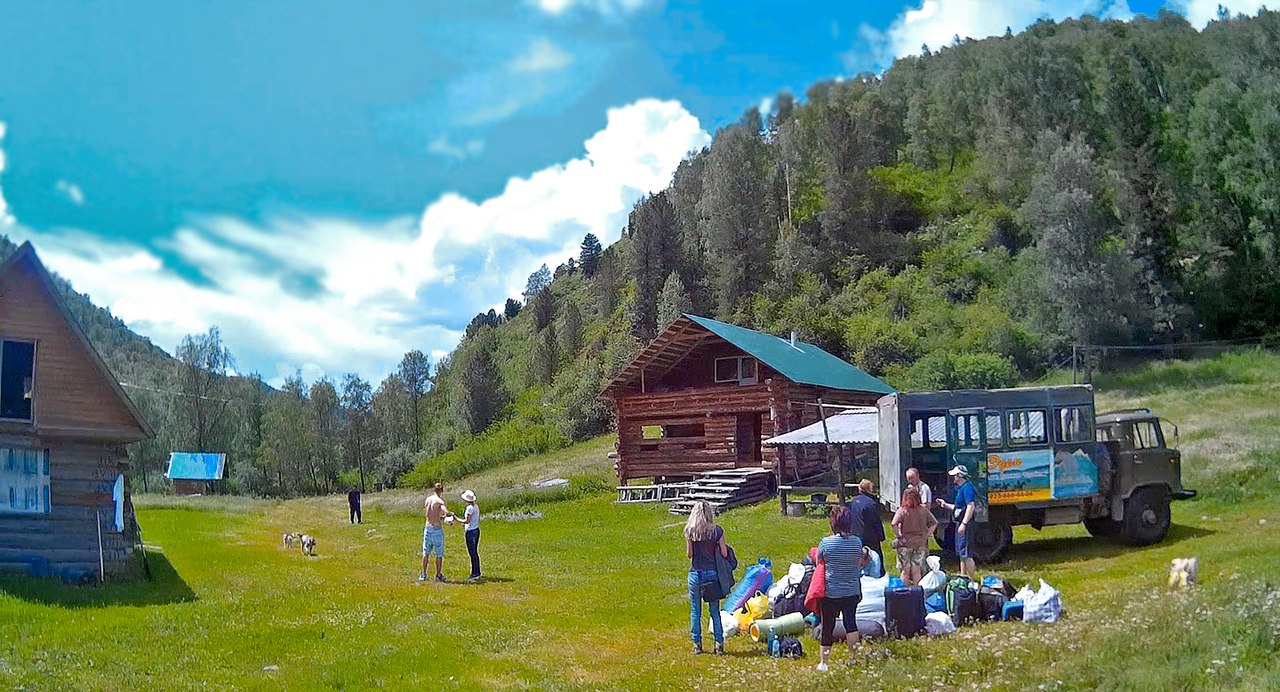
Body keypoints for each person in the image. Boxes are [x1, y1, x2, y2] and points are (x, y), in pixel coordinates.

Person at [816, 505, 870, 672]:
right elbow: (860, 561)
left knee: (827, 626)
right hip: (852, 590)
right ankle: (853, 658)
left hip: (831, 591)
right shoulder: (857, 542)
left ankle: (824, 663)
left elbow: (819, 562)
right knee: (850, 624)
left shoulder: (826, 543)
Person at [684, 500, 727, 655]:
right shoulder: (717, 531)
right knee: (714, 611)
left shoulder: (690, 531)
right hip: (712, 574)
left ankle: (697, 644)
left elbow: (690, 555)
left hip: (696, 573)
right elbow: (724, 554)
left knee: (695, 611)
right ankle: (719, 643)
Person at [935, 466, 977, 579]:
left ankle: (971, 580)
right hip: (959, 523)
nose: (953, 477)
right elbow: (958, 507)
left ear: (960, 476)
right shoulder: (961, 488)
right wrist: (945, 505)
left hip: (965, 525)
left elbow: (970, 506)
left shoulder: (967, 488)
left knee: (967, 554)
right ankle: (964, 578)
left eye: (954, 475)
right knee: (961, 553)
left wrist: (964, 524)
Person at [891, 486, 937, 586]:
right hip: (920, 543)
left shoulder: (902, 510)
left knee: (905, 571)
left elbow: (893, 523)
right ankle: (917, 594)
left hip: (905, 543)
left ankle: (904, 594)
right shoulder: (923, 510)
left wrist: (899, 536)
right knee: (917, 571)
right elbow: (934, 523)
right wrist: (926, 536)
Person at [420, 482, 455, 582]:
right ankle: (438, 574)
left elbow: (430, 513)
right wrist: (450, 514)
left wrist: (442, 517)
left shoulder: (428, 500)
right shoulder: (440, 502)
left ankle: (423, 574)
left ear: (433, 489)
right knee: (439, 553)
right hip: (436, 529)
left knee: (426, 552)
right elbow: (445, 511)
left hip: (428, 527)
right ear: (441, 490)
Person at [849, 479, 885, 571]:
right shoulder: (871, 503)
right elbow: (875, 521)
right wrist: (881, 536)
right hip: (869, 536)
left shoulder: (853, 501)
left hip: (855, 535)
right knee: (875, 557)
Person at [459, 489, 482, 582]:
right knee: (475, 552)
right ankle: (477, 571)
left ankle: (475, 573)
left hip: (470, 532)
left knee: (472, 553)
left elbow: (467, 520)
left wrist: (456, 519)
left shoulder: (469, 508)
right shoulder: (476, 506)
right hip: (476, 530)